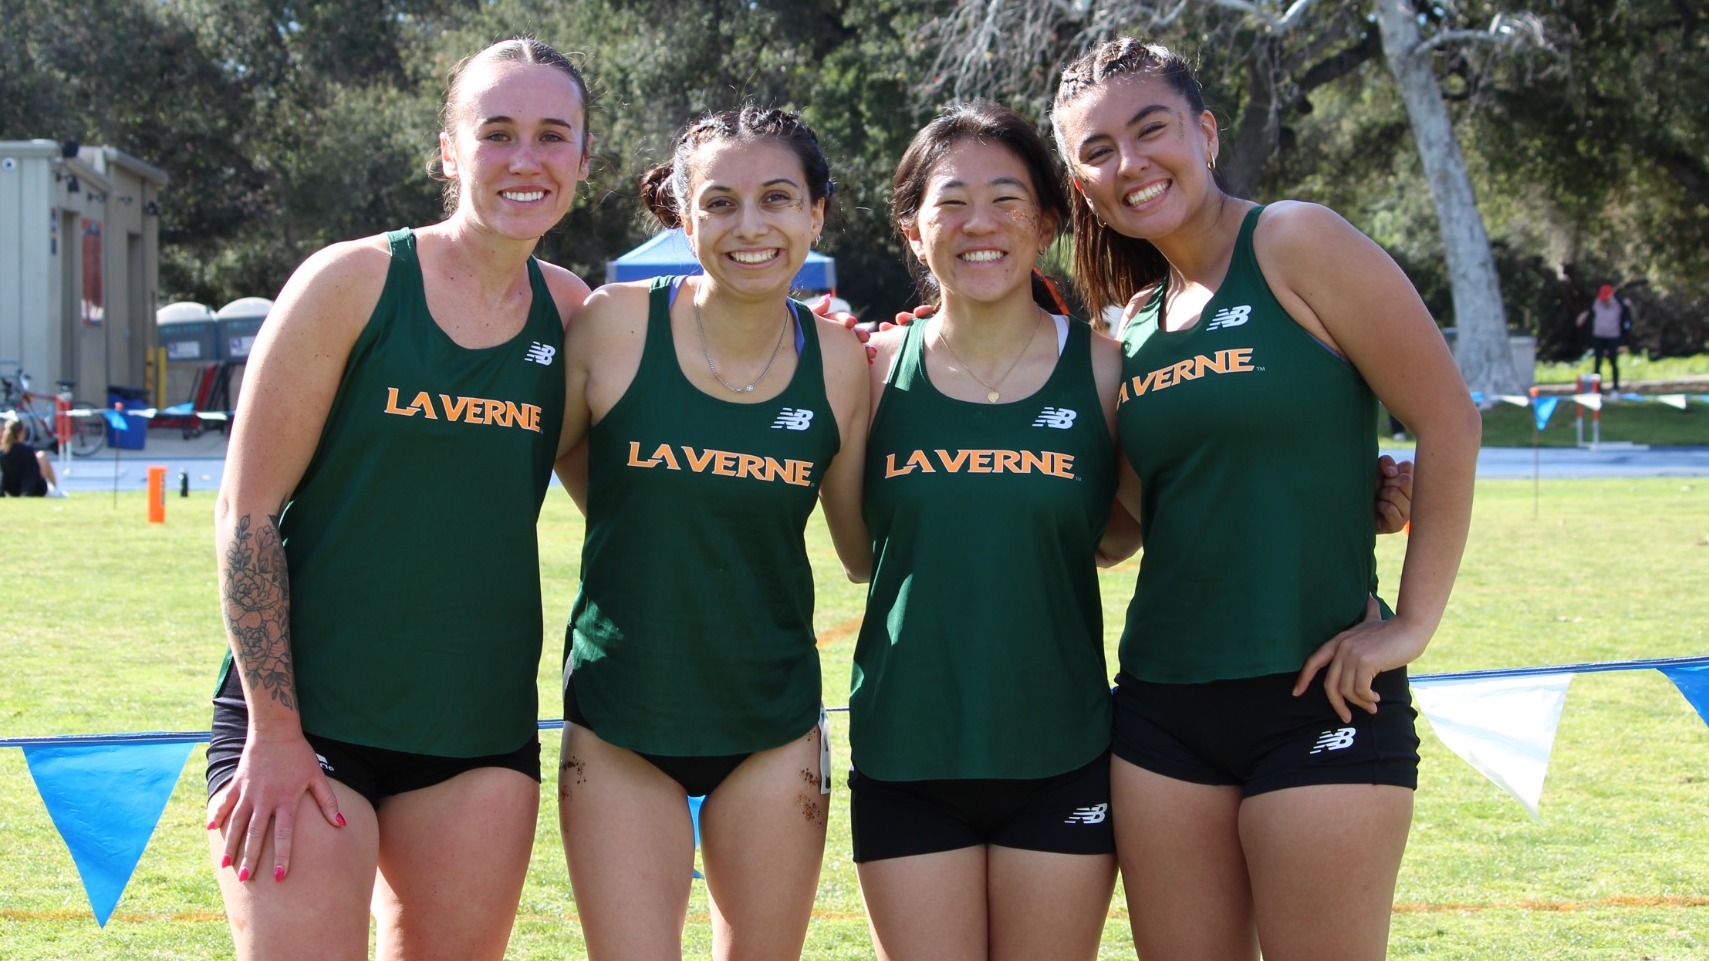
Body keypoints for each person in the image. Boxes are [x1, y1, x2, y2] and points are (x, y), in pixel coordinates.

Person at [1051, 37, 1481, 961]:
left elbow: (1448, 420)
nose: (1128, 163)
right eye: (1096, 151)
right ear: (1078, 183)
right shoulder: (1127, 326)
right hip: (1161, 711)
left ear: (1204, 131)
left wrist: (1409, 624)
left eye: (1149, 129)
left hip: (1320, 694)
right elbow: (1122, 525)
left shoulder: (1294, 239)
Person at [203, 37, 593, 961]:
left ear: (583, 158)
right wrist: (277, 731)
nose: (524, 159)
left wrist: (804, 345)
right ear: (450, 151)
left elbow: (657, 478)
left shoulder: (577, 314)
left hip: (478, 737)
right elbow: (246, 514)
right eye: (495, 133)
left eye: (551, 135)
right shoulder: (352, 282)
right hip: (306, 726)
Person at [555, 105, 870, 961]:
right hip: (621, 716)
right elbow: (549, 468)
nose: (750, 226)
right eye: (720, 203)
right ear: (683, 215)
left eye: (777, 198)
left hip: (771, 722)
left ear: (815, 212)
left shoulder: (841, 361)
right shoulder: (613, 325)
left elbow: (861, 550)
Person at [850, 102, 1122, 961]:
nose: (981, 224)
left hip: (1061, 753)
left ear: (1046, 220)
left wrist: (1366, 484)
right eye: (951, 201)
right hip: (905, 757)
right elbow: (858, 554)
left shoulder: (1107, 370)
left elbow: (1158, 514)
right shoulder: (864, 372)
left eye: (1007, 199)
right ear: (911, 230)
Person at [1575, 283, 1633, 392]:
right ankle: (1597, 388)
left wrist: (1625, 336)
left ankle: (1615, 387)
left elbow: (1627, 319)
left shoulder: (1619, 304)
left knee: (1613, 362)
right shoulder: (1596, 303)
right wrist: (1583, 316)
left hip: (1613, 336)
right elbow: (1588, 312)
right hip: (1599, 336)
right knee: (1597, 362)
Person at [1, 418, 65, 497]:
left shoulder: (3, 452)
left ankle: (56, 490)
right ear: (21, 433)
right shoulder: (27, 451)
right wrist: (26, 493)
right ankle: (57, 489)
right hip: (35, 490)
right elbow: (30, 475)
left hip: (12, 491)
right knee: (42, 456)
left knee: (40, 456)